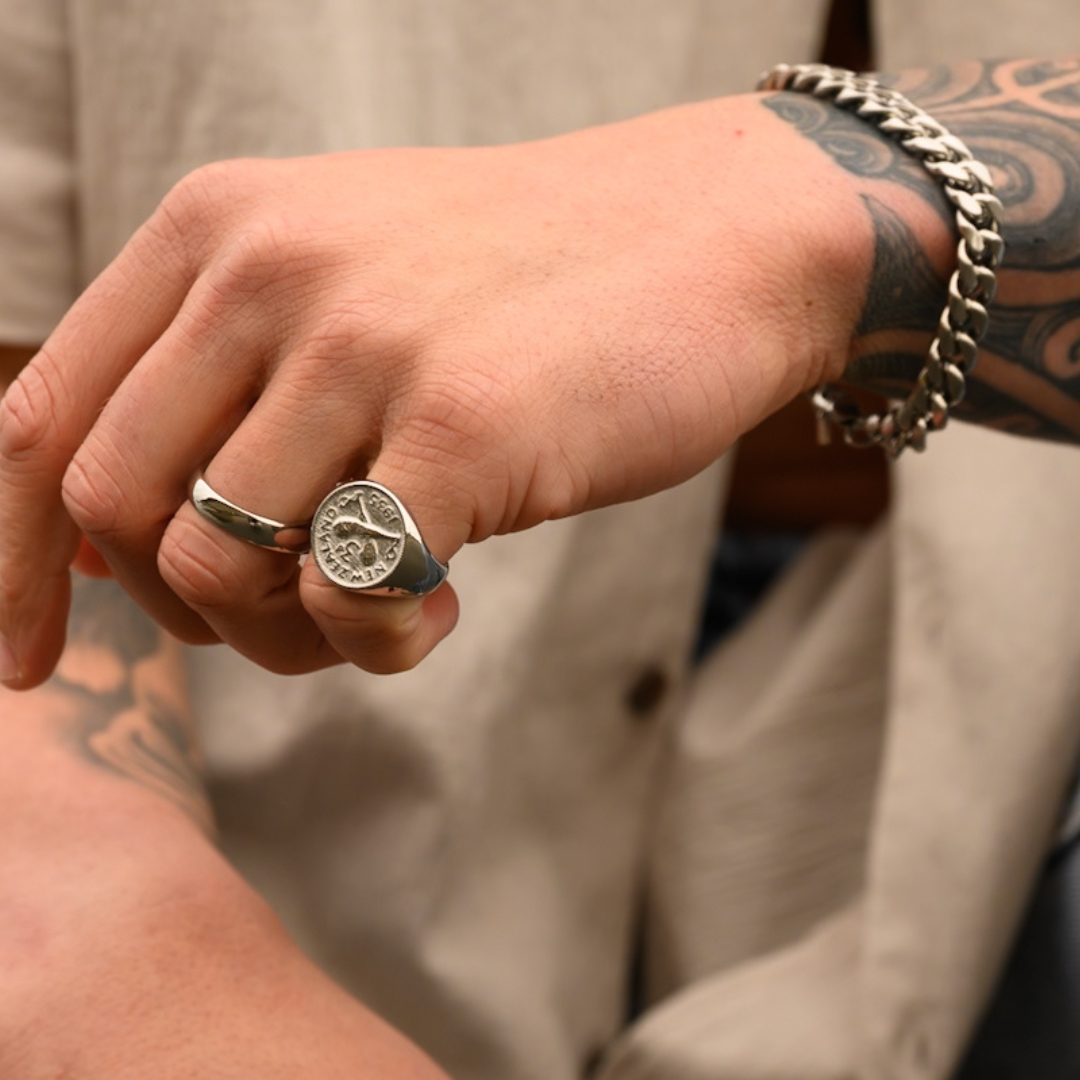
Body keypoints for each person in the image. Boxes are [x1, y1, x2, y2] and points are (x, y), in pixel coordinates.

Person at [3, 2, 1080, 1078]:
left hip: (1004, 801)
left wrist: (781, 204)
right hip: (289, 824)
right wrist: (123, 928)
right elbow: (31, 450)